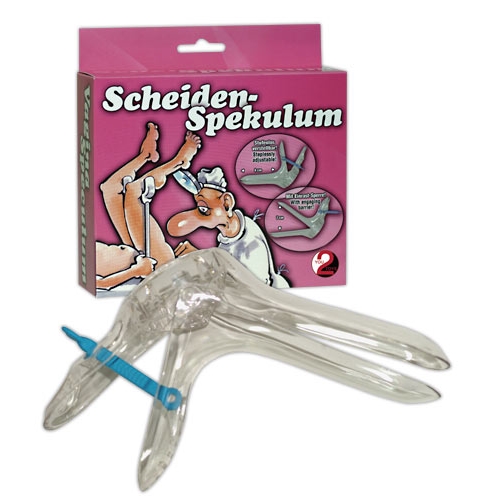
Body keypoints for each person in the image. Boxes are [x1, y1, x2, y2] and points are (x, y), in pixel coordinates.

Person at [96, 122, 201, 290]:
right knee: (134, 192)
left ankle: (145, 155)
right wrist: (137, 270)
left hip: (135, 252)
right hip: (156, 267)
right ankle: (180, 162)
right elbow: (101, 284)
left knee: (110, 188)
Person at [167, 167, 290, 288]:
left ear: (226, 203)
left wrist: (200, 258)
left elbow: (250, 289)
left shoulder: (250, 241)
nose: (195, 215)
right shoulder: (229, 236)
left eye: (203, 208)